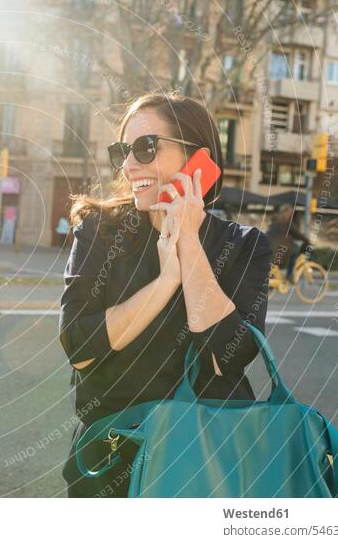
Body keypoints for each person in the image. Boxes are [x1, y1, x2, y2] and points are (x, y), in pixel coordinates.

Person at [59, 93, 271, 498]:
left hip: (204, 465)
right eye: (123, 150)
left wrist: (188, 244)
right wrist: (165, 283)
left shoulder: (244, 246)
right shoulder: (99, 229)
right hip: (108, 466)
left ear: (198, 159)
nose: (128, 164)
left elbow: (225, 360)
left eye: (146, 147)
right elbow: (80, 346)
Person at [266, 204, 311, 280]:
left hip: (269, 246)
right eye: (291, 212)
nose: (292, 214)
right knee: (295, 250)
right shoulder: (287, 222)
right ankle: (289, 275)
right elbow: (297, 234)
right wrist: (307, 241)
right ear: (288, 212)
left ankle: (273, 280)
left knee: (274, 266)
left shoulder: (275, 220)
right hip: (279, 249)